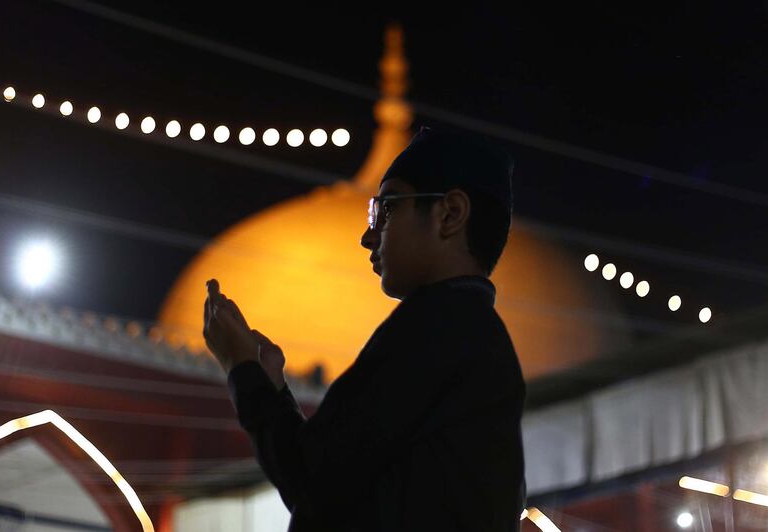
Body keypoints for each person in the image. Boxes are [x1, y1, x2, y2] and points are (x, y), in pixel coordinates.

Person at [203, 126, 526, 531]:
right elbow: (334, 486)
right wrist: (273, 389)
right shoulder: (475, 337)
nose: (367, 236)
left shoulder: (436, 329)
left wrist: (242, 369)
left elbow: (311, 478)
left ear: (450, 214)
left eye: (387, 209)